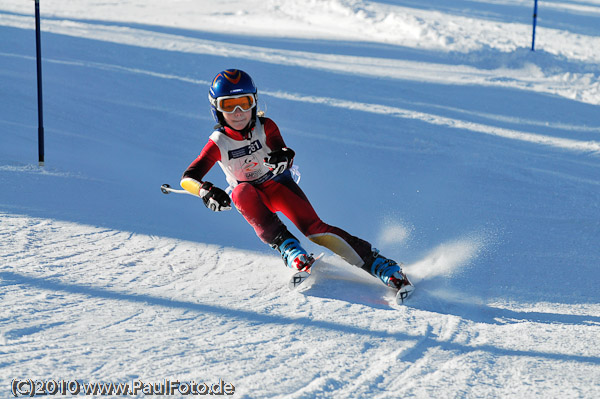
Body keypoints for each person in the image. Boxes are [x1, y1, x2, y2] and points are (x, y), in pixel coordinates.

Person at [180, 69, 413, 293]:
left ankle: (381, 265)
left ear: (255, 102)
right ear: (216, 109)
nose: (239, 111)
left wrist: (283, 157)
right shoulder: (218, 142)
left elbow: (284, 150)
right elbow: (188, 178)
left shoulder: (266, 126)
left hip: (278, 185)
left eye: (245, 102)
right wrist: (205, 191)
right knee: (240, 192)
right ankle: (289, 249)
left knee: (315, 231)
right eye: (229, 105)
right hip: (252, 197)